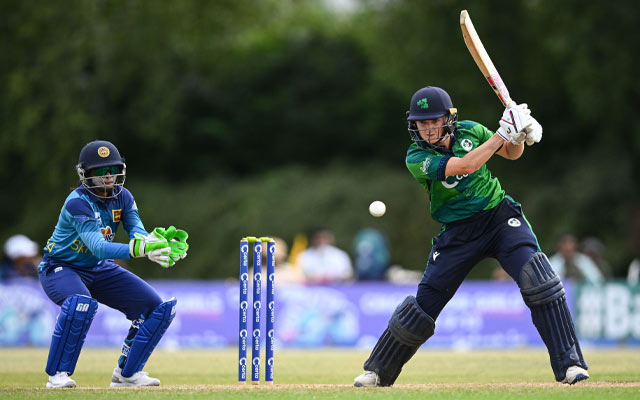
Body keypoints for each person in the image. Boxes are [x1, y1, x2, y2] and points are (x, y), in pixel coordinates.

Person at [353, 86, 589, 387]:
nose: (427, 129)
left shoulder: (471, 130)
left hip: (499, 218)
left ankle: (571, 365)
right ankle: (379, 371)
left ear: (449, 118)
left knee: (539, 280)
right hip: (458, 233)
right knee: (424, 305)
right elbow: (466, 165)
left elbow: (510, 154)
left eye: (433, 121)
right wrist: (503, 133)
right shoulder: (417, 156)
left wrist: (519, 136)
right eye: (421, 123)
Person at [38, 140, 189, 389]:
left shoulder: (124, 196)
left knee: (155, 308)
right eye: (100, 171)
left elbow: (137, 232)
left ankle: (127, 374)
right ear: (85, 174)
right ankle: (58, 375)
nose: (108, 176)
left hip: (99, 268)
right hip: (61, 267)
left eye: (113, 168)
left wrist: (157, 244)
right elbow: (97, 245)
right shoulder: (77, 202)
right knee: (79, 303)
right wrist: (140, 250)